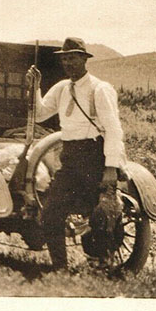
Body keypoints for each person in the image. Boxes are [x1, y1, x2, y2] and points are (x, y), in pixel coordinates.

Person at [27, 37, 126, 270]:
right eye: (64, 59)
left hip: (94, 156)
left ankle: (103, 264)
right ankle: (60, 268)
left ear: (84, 59)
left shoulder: (99, 89)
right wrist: (35, 86)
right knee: (51, 213)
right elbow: (40, 113)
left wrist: (111, 168)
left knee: (99, 216)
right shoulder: (62, 88)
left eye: (73, 58)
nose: (68, 63)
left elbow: (113, 130)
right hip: (70, 158)